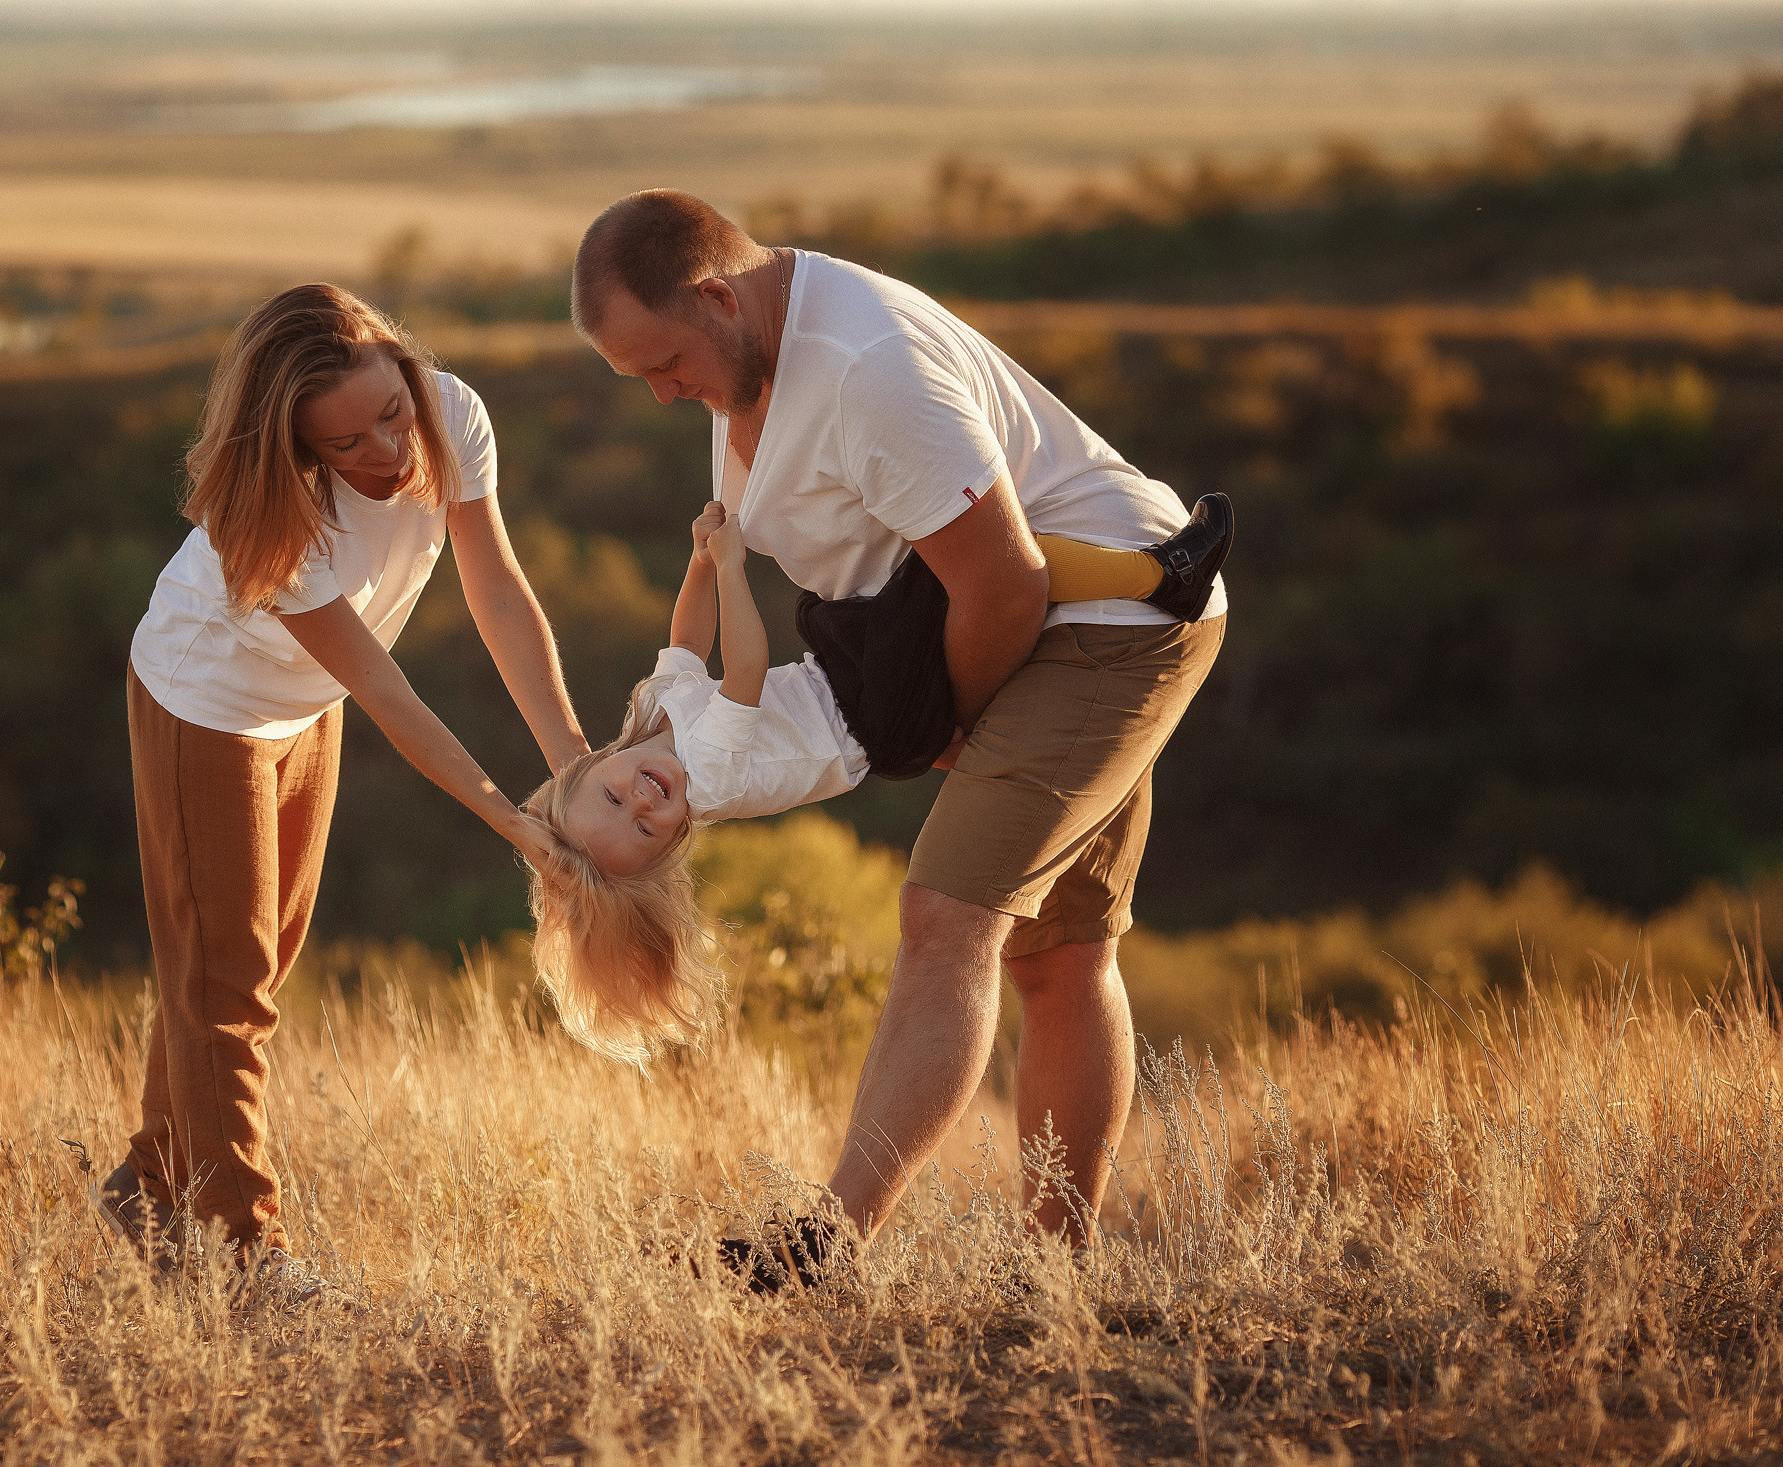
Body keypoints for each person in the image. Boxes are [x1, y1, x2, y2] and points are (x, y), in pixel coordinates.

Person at [569, 189, 1229, 1268]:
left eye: (666, 364)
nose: (661, 394)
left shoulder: (868, 371)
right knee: (1062, 952)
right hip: (984, 627)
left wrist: (940, 724)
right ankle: (1054, 1272)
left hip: (1094, 627)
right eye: (638, 376)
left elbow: (1006, 585)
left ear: (719, 297)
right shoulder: (755, 358)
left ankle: (826, 1243)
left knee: (945, 920)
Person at [102, 283, 585, 1292]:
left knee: (252, 961)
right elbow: (385, 689)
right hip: (207, 703)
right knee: (226, 985)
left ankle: (149, 1183)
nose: (388, 452)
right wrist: (511, 821)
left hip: (304, 704)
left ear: (407, 375)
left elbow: (498, 591)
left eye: (391, 415)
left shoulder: (451, 413)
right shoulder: (270, 516)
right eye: (346, 443)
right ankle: (244, 1255)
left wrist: (573, 766)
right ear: (296, 448)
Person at [519, 494, 1231, 1068]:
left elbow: (684, 645)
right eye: (647, 828)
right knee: (967, 560)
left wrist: (700, 561)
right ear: (674, 839)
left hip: (843, 676)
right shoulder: (706, 775)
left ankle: (1101, 614)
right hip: (877, 715)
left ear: (591, 764)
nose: (643, 800)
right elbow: (743, 667)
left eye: (614, 797)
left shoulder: (649, 715)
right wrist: (732, 566)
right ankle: (1160, 577)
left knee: (918, 566)